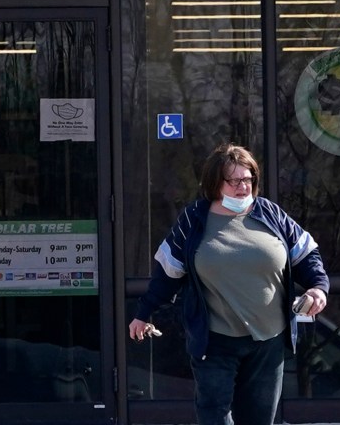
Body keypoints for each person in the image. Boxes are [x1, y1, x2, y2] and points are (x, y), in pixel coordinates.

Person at [128, 143, 329, 425]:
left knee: (258, 420)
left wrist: (318, 287)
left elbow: (306, 255)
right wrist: (143, 312)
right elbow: (167, 271)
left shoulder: (270, 214)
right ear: (215, 182)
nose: (243, 187)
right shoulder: (194, 219)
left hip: (268, 341)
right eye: (234, 180)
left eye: (248, 179)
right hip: (215, 341)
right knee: (215, 415)